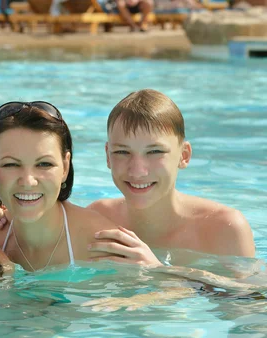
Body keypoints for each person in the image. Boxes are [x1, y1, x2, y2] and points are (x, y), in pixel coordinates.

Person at [87, 89, 255, 261]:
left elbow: (247, 289)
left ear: (184, 155)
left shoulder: (224, 228)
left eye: (154, 151)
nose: (137, 170)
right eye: (122, 152)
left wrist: (157, 273)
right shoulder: (97, 219)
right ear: (108, 156)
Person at [0, 101, 141, 271]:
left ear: (65, 167)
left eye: (44, 164)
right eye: (11, 165)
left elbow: (157, 293)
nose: (28, 181)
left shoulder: (102, 243)